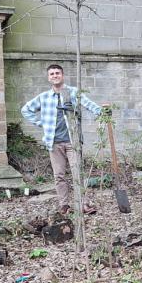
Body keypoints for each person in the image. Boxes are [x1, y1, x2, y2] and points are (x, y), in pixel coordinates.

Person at [21, 64, 107, 215]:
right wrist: (42, 123)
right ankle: (64, 205)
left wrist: (103, 111)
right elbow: (25, 110)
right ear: (49, 78)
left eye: (57, 73)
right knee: (59, 175)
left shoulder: (73, 92)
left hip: (72, 142)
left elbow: (89, 105)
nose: (55, 76)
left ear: (62, 75)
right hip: (53, 143)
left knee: (77, 173)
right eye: (52, 74)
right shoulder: (44, 97)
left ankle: (84, 204)